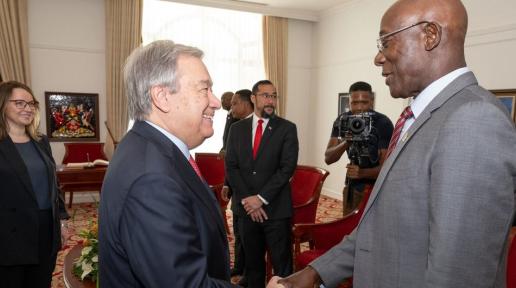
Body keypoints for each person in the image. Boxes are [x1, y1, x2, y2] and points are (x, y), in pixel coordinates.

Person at [269, 0, 516, 287]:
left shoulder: (473, 119)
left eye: (385, 42)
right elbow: (379, 228)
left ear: (430, 35)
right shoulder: (418, 117)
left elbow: (458, 276)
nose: (378, 57)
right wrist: (315, 273)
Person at [98, 40, 237, 287]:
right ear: (162, 96)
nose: (216, 102)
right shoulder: (152, 178)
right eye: (204, 89)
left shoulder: (148, 148)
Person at [225, 80, 299, 288]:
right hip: (246, 211)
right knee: (253, 266)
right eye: (265, 95)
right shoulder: (237, 129)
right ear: (253, 98)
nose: (270, 100)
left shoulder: (287, 128)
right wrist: (250, 201)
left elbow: (287, 168)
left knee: (282, 268)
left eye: (274, 96)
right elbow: (231, 168)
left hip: (276, 210)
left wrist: (260, 199)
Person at [0, 81, 69, 288]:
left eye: (31, 104)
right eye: (20, 103)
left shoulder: (41, 141)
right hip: (9, 233)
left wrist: (62, 220)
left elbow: (53, 184)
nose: (28, 108)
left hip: (46, 229)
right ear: (3, 104)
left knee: (41, 282)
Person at [325, 81, 393, 212]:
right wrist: (347, 141)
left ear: (372, 102)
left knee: (372, 230)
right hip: (352, 187)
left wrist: (362, 173)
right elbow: (328, 158)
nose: (359, 108)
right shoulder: (342, 121)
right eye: (355, 103)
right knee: (349, 229)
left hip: (375, 190)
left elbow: (387, 168)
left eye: (364, 102)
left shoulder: (382, 123)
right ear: (349, 102)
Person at [221, 89, 254, 286]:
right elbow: (231, 159)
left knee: (250, 234)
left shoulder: (259, 126)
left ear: (245, 103)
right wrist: (227, 184)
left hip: (253, 192)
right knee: (239, 231)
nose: (231, 108)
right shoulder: (236, 125)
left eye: (234, 104)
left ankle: (250, 271)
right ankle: (239, 267)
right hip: (237, 188)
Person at [220, 91, 236, 155]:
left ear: (231, 100)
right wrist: (224, 148)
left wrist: (227, 149)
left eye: (223, 99)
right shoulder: (230, 114)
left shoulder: (236, 115)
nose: (221, 102)